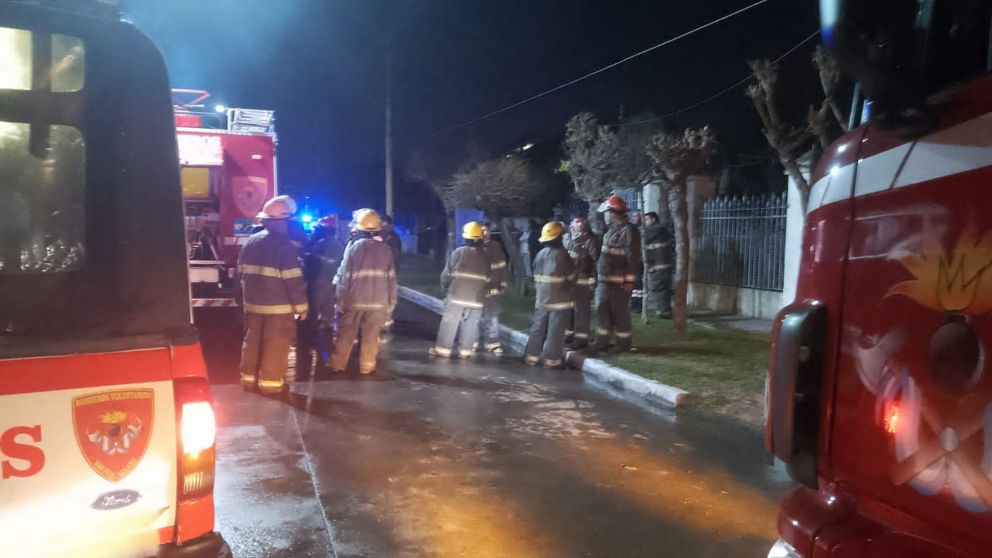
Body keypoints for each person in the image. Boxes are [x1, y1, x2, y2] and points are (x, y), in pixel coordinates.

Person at [239, 195, 308, 394]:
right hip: (279, 308)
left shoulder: (250, 242)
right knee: (276, 344)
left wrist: (243, 302)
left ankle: (248, 379)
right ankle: (271, 383)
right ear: (283, 220)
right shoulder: (284, 246)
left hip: (253, 305)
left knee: (252, 342)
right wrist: (302, 307)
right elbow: (293, 280)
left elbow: (240, 275)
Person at [328, 209, 397, 375]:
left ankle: (338, 363)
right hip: (378, 304)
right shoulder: (386, 250)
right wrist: (390, 304)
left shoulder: (353, 248)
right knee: (371, 336)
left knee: (346, 333)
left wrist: (340, 301)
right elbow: (391, 280)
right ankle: (367, 366)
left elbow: (345, 278)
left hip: (355, 301)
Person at [429, 222, 490, 359]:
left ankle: (443, 349)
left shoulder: (458, 252)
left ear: (466, 238)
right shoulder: (486, 256)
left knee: (450, 321)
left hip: (457, 296)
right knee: (471, 324)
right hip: (477, 298)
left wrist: (445, 286)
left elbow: (446, 274)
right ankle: (465, 351)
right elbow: (488, 277)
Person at [591, 195, 641, 353]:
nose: (605, 215)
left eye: (606, 212)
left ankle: (623, 344)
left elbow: (632, 258)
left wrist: (629, 281)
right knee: (602, 309)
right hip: (605, 280)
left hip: (618, 283)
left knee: (619, 313)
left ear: (613, 213)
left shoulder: (629, 231)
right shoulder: (611, 230)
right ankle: (602, 341)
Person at [524, 222, 576, 368]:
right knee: (555, 331)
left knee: (537, 329)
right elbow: (572, 278)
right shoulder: (563, 255)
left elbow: (535, 274)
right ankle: (552, 360)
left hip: (541, 300)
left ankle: (531, 357)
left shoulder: (540, 254)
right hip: (560, 301)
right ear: (559, 237)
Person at [298, 215, 344, 376]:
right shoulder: (338, 245)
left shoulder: (320, 244)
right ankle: (326, 336)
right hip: (331, 284)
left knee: (312, 314)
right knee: (328, 315)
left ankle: (311, 341)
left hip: (317, 283)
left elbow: (310, 264)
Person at [564, 216, 599, 349]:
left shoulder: (591, 240)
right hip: (569, 280)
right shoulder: (567, 238)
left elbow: (595, 261)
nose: (580, 224)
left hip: (583, 280)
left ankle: (580, 340)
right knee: (569, 309)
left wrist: (592, 278)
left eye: (583, 221)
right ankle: (568, 336)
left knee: (581, 311)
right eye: (577, 221)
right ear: (571, 223)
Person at [479, 221, 507, 354]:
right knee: (473, 318)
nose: (485, 233)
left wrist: (502, 284)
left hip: (492, 289)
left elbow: (502, 267)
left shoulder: (495, 247)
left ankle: (493, 344)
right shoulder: (472, 247)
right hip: (477, 290)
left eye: (487, 230)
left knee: (492, 317)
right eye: (482, 230)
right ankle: (471, 343)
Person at [642, 211, 674, 319]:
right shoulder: (663, 230)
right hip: (666, 264)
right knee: (665, 289)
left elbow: (643, 240)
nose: (645, 222)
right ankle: (666, 310)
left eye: (646, 219)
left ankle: (662, 312)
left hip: (657, 264)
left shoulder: (653, 230)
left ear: (653, 219)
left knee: (657, 288)